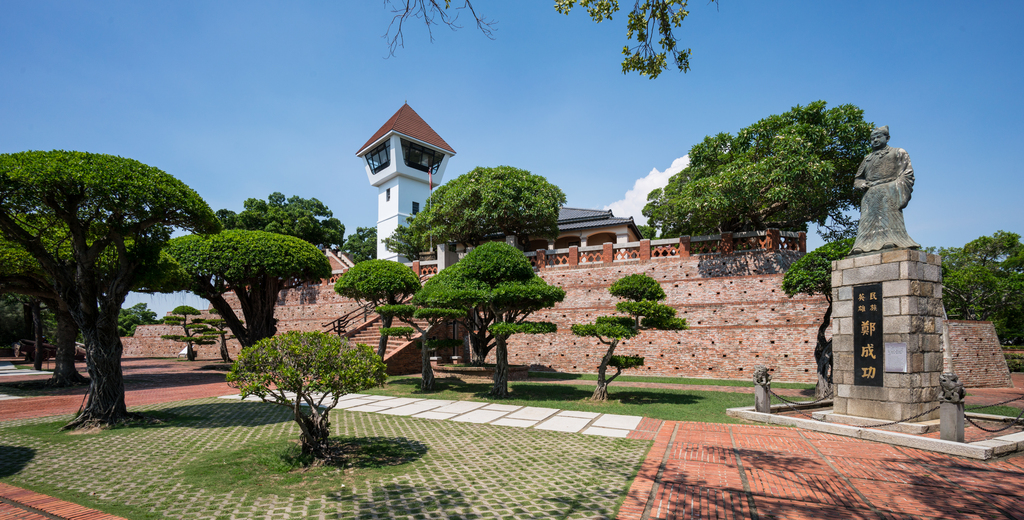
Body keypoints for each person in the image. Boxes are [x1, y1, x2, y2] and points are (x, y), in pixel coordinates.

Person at [849, 126, 921, 255]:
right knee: (867, 221)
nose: (875, 140)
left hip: (890, 190)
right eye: (872, 138)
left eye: (878, 137)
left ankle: (892, 241)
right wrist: (862, 184)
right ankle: (862, 245)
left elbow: (907, 173)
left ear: (887, 138)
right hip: (870, 194)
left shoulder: (898, 152)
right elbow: (857, 179)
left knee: (889, 216)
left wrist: (894, 186)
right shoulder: (867, 159)